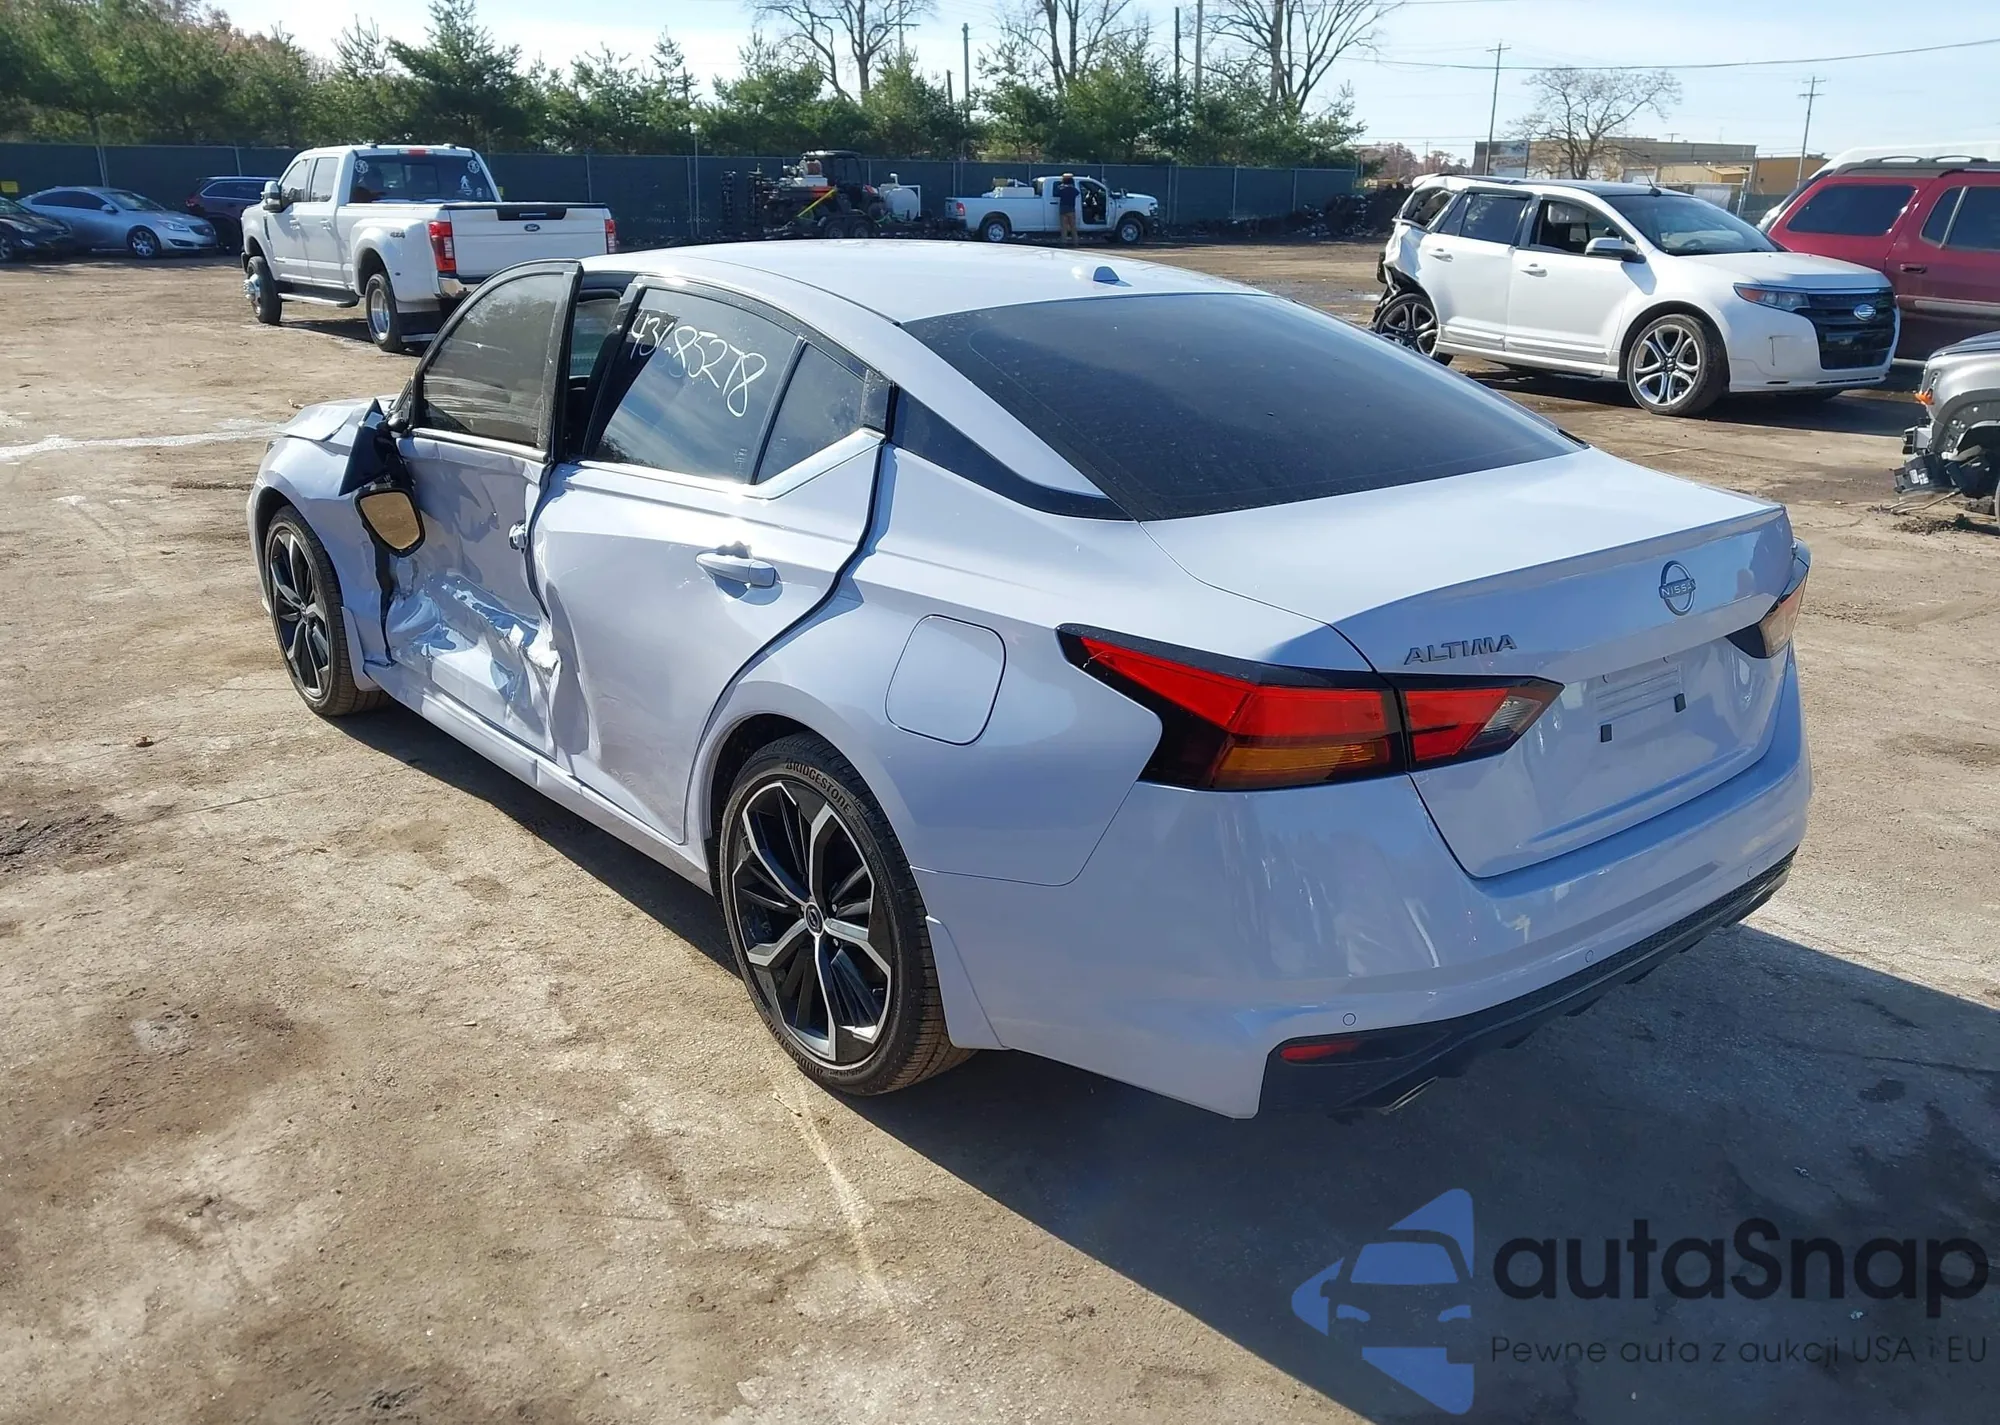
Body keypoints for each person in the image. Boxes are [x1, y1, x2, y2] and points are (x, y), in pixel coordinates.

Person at [1055, 172, 1080, 245]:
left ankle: (1064, 242)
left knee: (1064, 227)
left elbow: (1057, 192)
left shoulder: (1061, 189)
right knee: (1073, 227)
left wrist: (1061, 185)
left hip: (1063, 209)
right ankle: (1075, 242)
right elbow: (1078, 193)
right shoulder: (1073, 190)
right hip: (1071, 209)